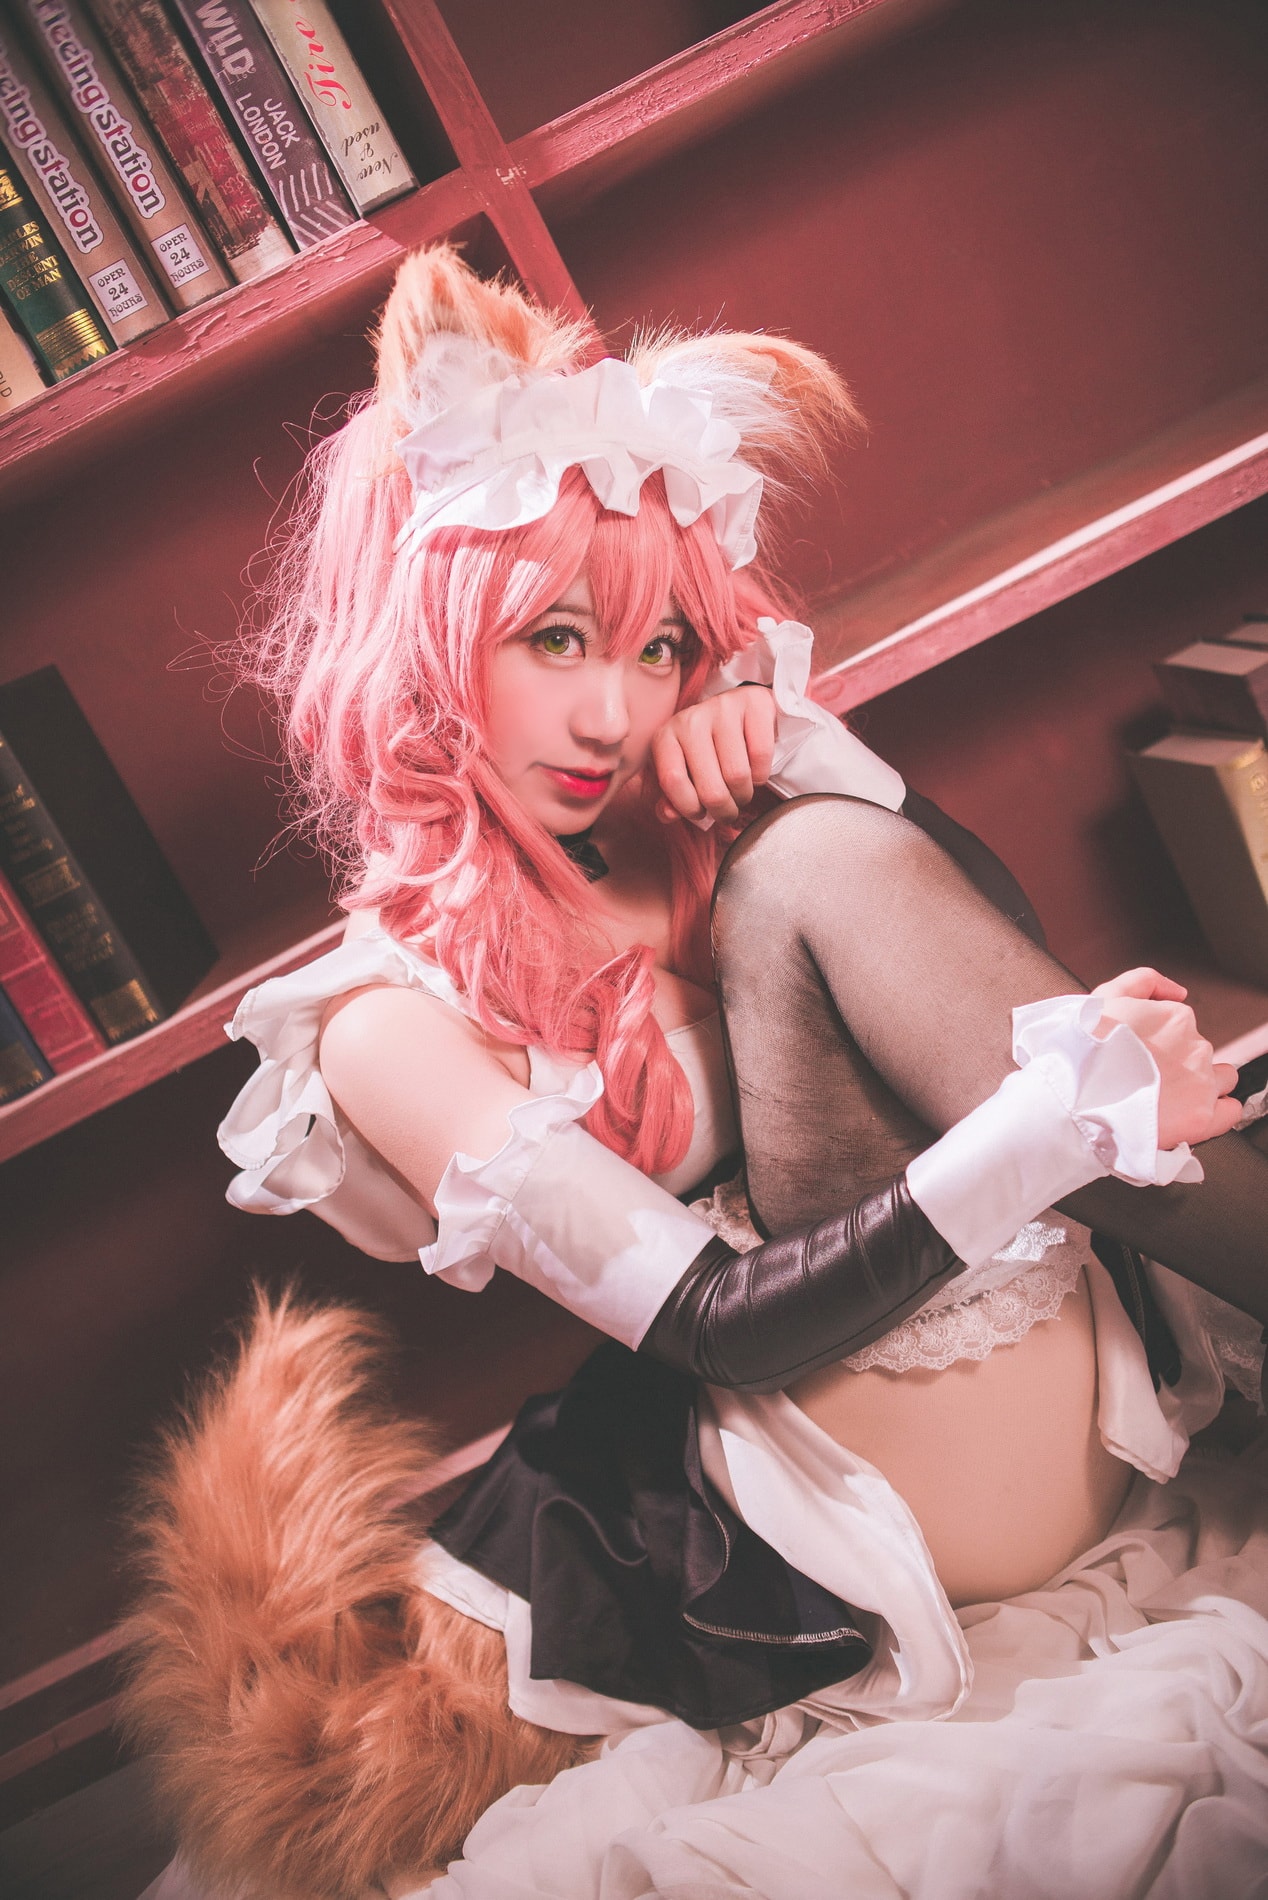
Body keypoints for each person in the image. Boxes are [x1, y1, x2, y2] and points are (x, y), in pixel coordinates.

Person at [122, 246, 1268, 1900]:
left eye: (660, 648)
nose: (614, 711)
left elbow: (990, 992)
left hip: (1082, 1382)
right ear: (429, 633)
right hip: (874, 1474)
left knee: (814, 856)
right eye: (558, 638)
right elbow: (717, 1322)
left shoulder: (687, 808)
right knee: (809, 871)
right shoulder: (378, 1027)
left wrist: (816, 765)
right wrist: (1034, 1137)